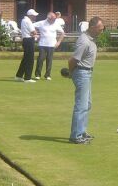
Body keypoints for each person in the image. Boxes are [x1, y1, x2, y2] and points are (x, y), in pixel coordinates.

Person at [68, 16, 104, 144]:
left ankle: (81, 131)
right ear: (93, 28)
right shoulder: (84, 41)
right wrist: (72, 73)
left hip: (87, 73)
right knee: (81, 105)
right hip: (81, 72)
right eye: (100, 29)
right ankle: (76, 136)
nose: (101, 31)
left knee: (87, 104)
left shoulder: (91, 39)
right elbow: (73, 60)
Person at [33, 12, 65, 80]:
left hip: (52, 44)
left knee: (49, 60)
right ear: (48, 18)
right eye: (53, 19)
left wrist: (58, 42)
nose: (54, 20)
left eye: (55, 19)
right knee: (40, 59)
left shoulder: (56, 24)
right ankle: (37, 75)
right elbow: (31, 26)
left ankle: (47, 75)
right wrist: (35, 34)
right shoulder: (41, 23)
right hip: (42, 44)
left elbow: (62, 33)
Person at [15, 9, 39, 83]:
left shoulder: (24, 20)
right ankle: (27, 78)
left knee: (25, 59)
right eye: (34, 15)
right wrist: (36, 34)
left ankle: (19, 75)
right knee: (29, 59)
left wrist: (34, 34)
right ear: (30, 15)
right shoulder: (28, 21)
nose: (35, 17)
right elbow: (33, 31)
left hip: (26, 40)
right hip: (29, 41)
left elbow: (32, 32)